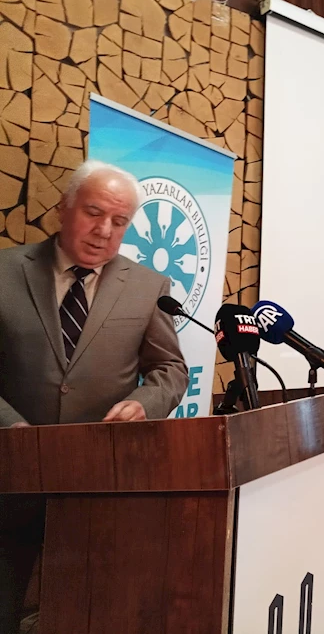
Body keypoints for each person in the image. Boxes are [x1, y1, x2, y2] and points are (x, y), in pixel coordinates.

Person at [0, 160, 189, 634]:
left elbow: (170, 368)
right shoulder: (4, 271)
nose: (105, 231)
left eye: (119, 221)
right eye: (94, 213)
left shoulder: (148, 287)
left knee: (89, 605)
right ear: (63, 208)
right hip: (10, 470)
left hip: (101, 475)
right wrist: (10, 426)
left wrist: (145, 403)